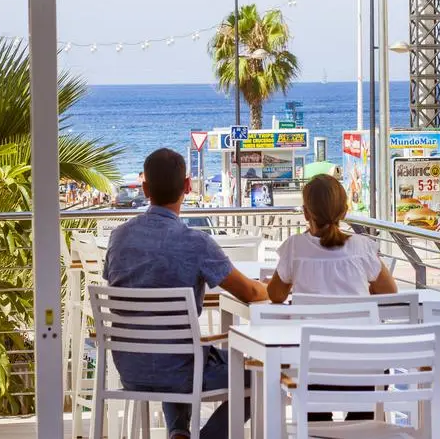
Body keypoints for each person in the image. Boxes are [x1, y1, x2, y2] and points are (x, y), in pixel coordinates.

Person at [104, 148, 267, 439]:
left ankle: (179, 433)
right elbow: (251, 293)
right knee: (261, 372)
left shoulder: (119, 238)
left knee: (179, 348)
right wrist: (279, 285)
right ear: (188, 186)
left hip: (130, 368)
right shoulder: (196, 243)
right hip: (179, 370)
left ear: (145, 189)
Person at [266, 174, 397, 423]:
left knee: (310, 396)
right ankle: (357, 426)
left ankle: (319, 429)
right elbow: (389, 292)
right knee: (364, 407)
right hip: (365, 373)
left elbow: (276, 295)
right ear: (345, 212)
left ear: (306, 213)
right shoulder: (362, 247)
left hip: (312, 371)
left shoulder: (295, 247)